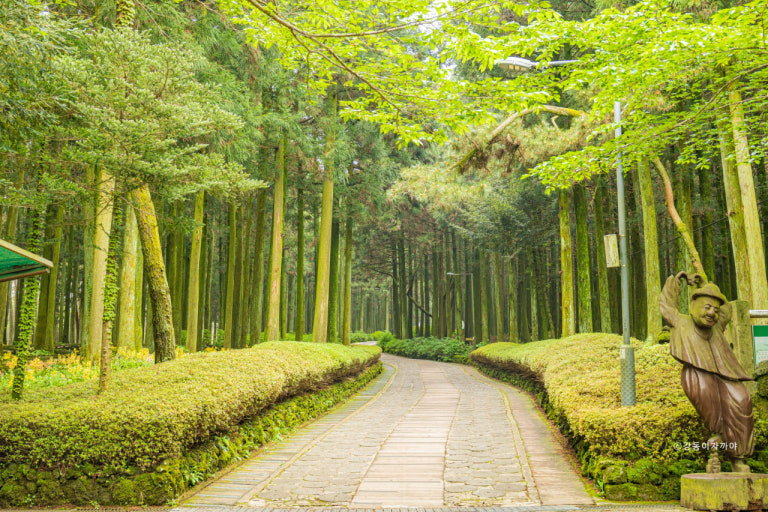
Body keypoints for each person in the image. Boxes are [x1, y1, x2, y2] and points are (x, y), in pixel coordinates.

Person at [659, 271, 754, 473]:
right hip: (697, 372)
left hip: (726, 375)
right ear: (693, 307)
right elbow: (666, 305)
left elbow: (727, 309)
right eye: (707, 307)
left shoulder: (717, 326)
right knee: (705, 392)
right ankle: (717, 435)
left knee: (742, 399)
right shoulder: (681, 321)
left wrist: (706, 284)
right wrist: (676, 283)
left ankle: (738, 458)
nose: (712, 313)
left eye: (715, 310)